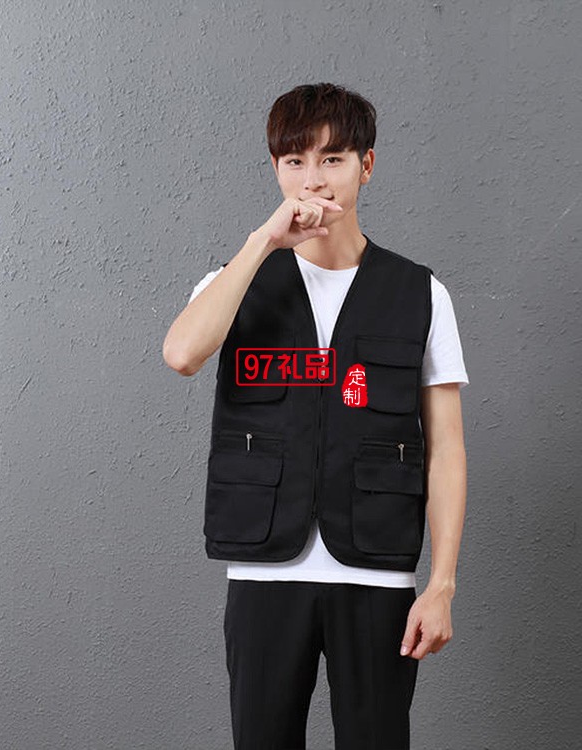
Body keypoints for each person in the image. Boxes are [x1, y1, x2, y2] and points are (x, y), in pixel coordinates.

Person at [163, 82, 469, 750]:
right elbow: (182, 354)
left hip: (378, 575)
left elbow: (447, 449)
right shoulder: (237, 281)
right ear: (275, 168)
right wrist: (262, 243)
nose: (314, 179)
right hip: (265, 575)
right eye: (294, 160)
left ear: (367, 164)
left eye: (332, 158)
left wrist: (440, 586)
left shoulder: (420, 293)